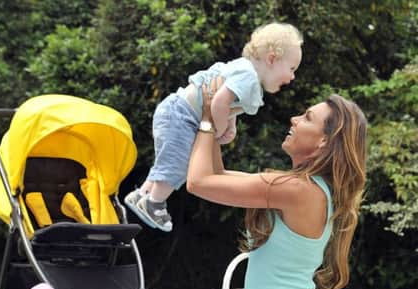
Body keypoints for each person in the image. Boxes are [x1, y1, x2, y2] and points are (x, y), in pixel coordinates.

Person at [126, 80, 368, 289]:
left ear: (324, 142)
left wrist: (207, 119)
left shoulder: (295, 189)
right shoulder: (309, 189)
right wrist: (216, 121)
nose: (294, 120)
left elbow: (198, 182)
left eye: (307, 118)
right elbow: (219, 176)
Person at [125, 22, 303, 232]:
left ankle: (143, 194)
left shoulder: (245, 71)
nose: (292, 77)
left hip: (178, 112)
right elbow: (218, 103)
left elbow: (228, 102)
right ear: (272, 58)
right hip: (183, 115)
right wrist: (217, 130)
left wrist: (230, 125)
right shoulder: (249, 77)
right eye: (292, 69)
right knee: (179, 163)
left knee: (171, 159)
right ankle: (154, 203)